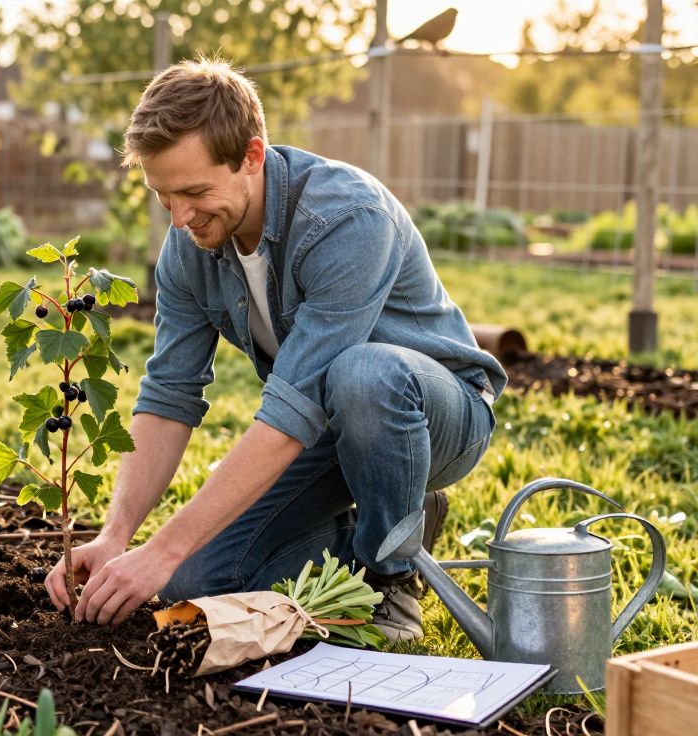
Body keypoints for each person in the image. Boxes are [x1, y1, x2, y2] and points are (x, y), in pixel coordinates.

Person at [44, 58, 506, 641]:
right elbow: (168, 395)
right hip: (330, 431)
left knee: (363, 374)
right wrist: (119, 537)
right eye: (163, 196)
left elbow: (291, 413)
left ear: (253, 157)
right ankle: (382, 529)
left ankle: (393, 573)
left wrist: (160, 548)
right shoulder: (190, 246)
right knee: (196, 578)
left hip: (436, 417)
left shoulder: (346, 218)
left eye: (194, 192)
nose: (180, 217)